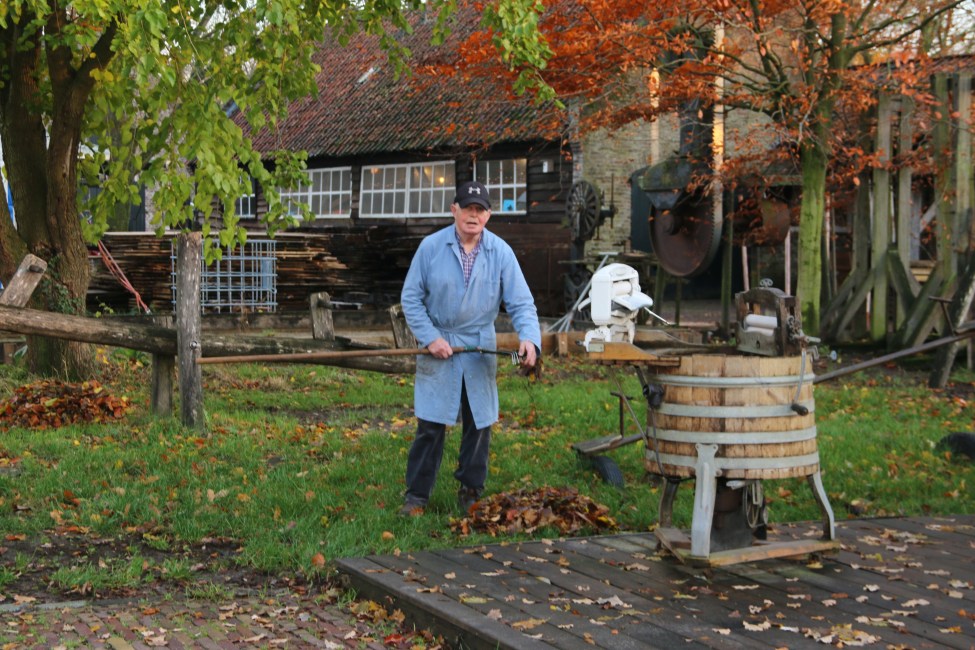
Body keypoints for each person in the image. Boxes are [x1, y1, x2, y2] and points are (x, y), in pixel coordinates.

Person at [399, 180, 541, 516]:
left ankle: (471, 491)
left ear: (489, 215)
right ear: (454, 211)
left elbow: (521, 302)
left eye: (479, 210)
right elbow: (411, 298)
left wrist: (529, 339)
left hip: (479, 345)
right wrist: (431, 338)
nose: (473, 215)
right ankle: (417, 497)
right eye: (467, 209)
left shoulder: (500, 253)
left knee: (479, 423)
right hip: (440, 341)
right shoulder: (431, 248)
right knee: (431, 424)